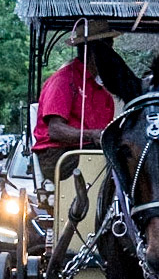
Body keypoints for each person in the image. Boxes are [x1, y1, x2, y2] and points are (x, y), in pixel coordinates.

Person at [31, 19, 119, 183]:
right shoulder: (64, 80)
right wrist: (92, 135)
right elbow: (55, 130)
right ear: (93, 51)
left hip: (87, 152)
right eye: (109, 50)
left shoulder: (104, 94)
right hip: (58, 155)